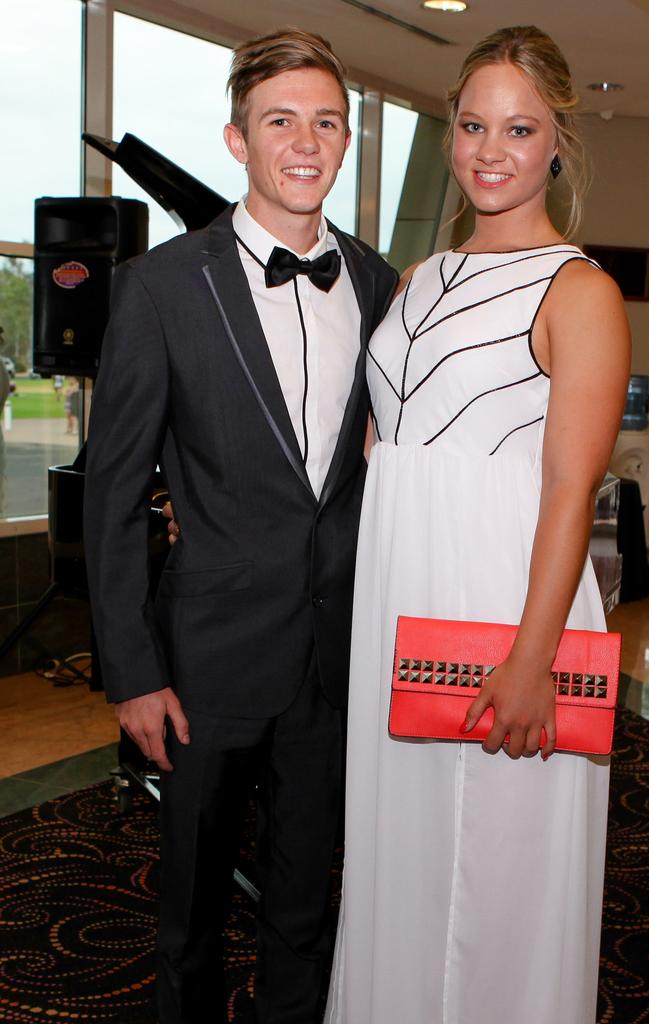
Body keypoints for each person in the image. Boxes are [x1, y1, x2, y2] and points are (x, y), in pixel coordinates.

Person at [83, 29, 397, 1024]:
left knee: (308, 902)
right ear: (237, 139)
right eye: (280, 121)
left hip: (332, 659)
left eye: (325, 122)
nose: (305, 142)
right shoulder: (161, 287)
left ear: (345, 141)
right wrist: (132, 670)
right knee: (192, 911)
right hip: (206, 661)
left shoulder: (381, 284)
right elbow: (115, 492)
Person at [324, 25, 631, 1024]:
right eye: (471, 124)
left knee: (492, 878)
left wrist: (533, 655)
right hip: (401, 597)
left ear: (556, 146)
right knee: (404, 854)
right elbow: (390, 445)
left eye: (519, 128)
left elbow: (567, 492)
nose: (489, 149)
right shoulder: (418, 279)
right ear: (450, 131)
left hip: (504, 604)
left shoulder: (576, 289)